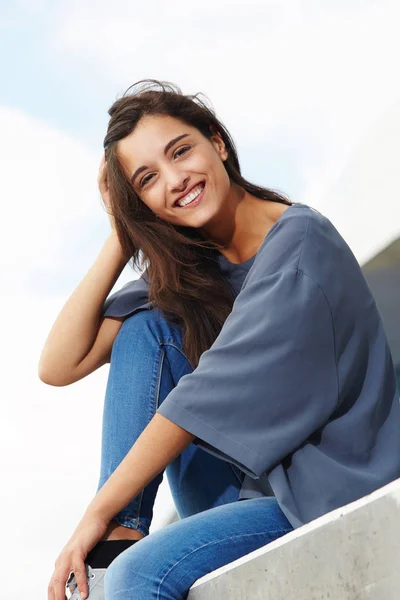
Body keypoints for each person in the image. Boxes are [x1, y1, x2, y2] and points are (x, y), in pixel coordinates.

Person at [42, 80, 400, 600]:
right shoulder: (197, 272)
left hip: (334, 492)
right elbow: (59, 364)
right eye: (148, 179)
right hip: (256, 495)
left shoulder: (299, 244)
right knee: (147, 328)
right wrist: (124, 232)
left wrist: (91, 517)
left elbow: (195, 402)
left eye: (180, 151)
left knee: (139, 575)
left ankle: (114, 545)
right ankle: (119, 536)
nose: (175, 179)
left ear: (218, 142)